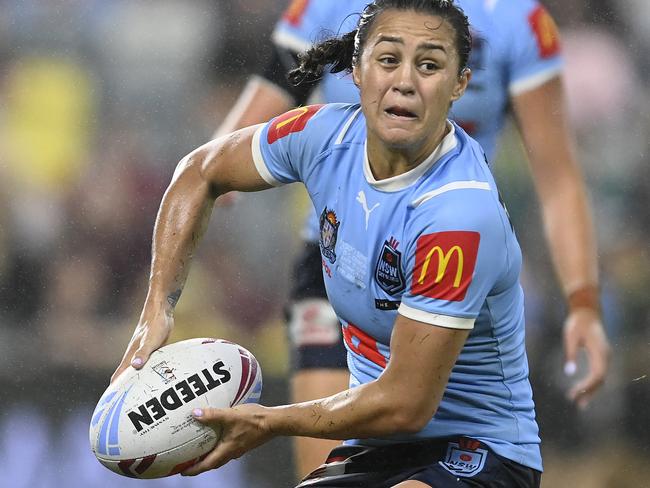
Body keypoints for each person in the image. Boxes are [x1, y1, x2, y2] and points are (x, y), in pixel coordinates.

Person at [114, 1, 553, 485]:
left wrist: (269, 421)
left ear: (459, 85)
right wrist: (158, 308)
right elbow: (199, 173)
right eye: (388, 60)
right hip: (374, 448)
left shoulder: (458, 215)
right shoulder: (321, 136)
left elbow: (406, 405)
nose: (405, 81)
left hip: (482, 451)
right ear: (355, 73)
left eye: (429, 65)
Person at [212, 0, 611, 477]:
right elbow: (246, 126)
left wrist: (582, 301)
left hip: (446, 257)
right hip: (338, 263)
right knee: (327, 461)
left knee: (447, 441)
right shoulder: (325, 6)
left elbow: (557, 176)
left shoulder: (516, 20)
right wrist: (212, 178)